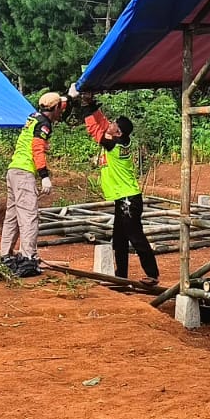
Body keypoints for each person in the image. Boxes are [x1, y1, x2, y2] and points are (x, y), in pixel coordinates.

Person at [76, 96, 159, 285]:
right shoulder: (119, 140)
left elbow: (94, 130)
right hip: (123, 198)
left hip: (128, 199)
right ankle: (121, 275)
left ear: (118, 131)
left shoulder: (114, 144)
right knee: (119, 239)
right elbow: (103, 123)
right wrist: (92, 106)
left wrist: (86, 109)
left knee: (136, 236)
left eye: (114, 124)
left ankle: (152, 275)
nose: (110, 124)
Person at [0, 91, 67, 263]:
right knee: (29, 216)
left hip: (13, 170)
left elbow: (60, 106)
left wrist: (71, 96)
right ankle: (28, 257)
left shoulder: (34, 117)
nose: (62, 111)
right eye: (60, 107)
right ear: (55, 108)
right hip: (24, 173)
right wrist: (44, 175)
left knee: (12, 215)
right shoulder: (44, 124)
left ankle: (5, 254)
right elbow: (37, 149)